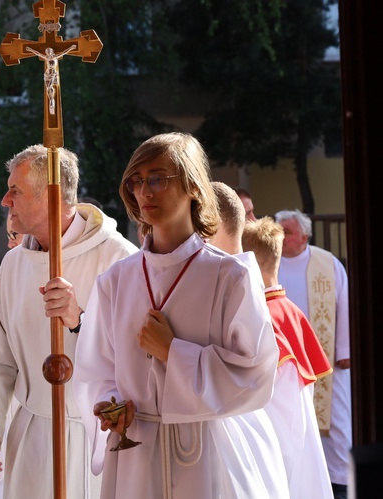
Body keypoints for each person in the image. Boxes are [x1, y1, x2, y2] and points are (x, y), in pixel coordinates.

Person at [73, 132, 289, 498]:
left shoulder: (229, 276)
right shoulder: (115, 281)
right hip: (135, 454)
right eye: (136, 181)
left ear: (192, 186)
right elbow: (96, 370)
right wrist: (109, 403)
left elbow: (255, 373)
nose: (145, 191)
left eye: (158, 177)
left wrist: (174, 352)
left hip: (206, 451)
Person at [0, 144, 138, 499]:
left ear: (52, 197)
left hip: (94, 438)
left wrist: (79, 319)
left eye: (16, 190)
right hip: (29, 434)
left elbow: (138, 356)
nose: (5, 201)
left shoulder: (119, 260)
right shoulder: (14, 265)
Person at [242, 216, 334, 498]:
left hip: (281, 451)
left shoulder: (260, 319)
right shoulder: (291, 310)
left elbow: (273, 408)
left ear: (245, 262)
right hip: (302, 442)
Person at [274, 209, 352, 499]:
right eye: (278, 231)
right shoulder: (270, 262)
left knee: (338, 425)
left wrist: (344, 349)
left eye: (288, 232)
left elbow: (343, 304)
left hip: (328, 363)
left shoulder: (327, 264)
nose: (281, 237)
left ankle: (341, 484)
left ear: (304, 236)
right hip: (287, 364)